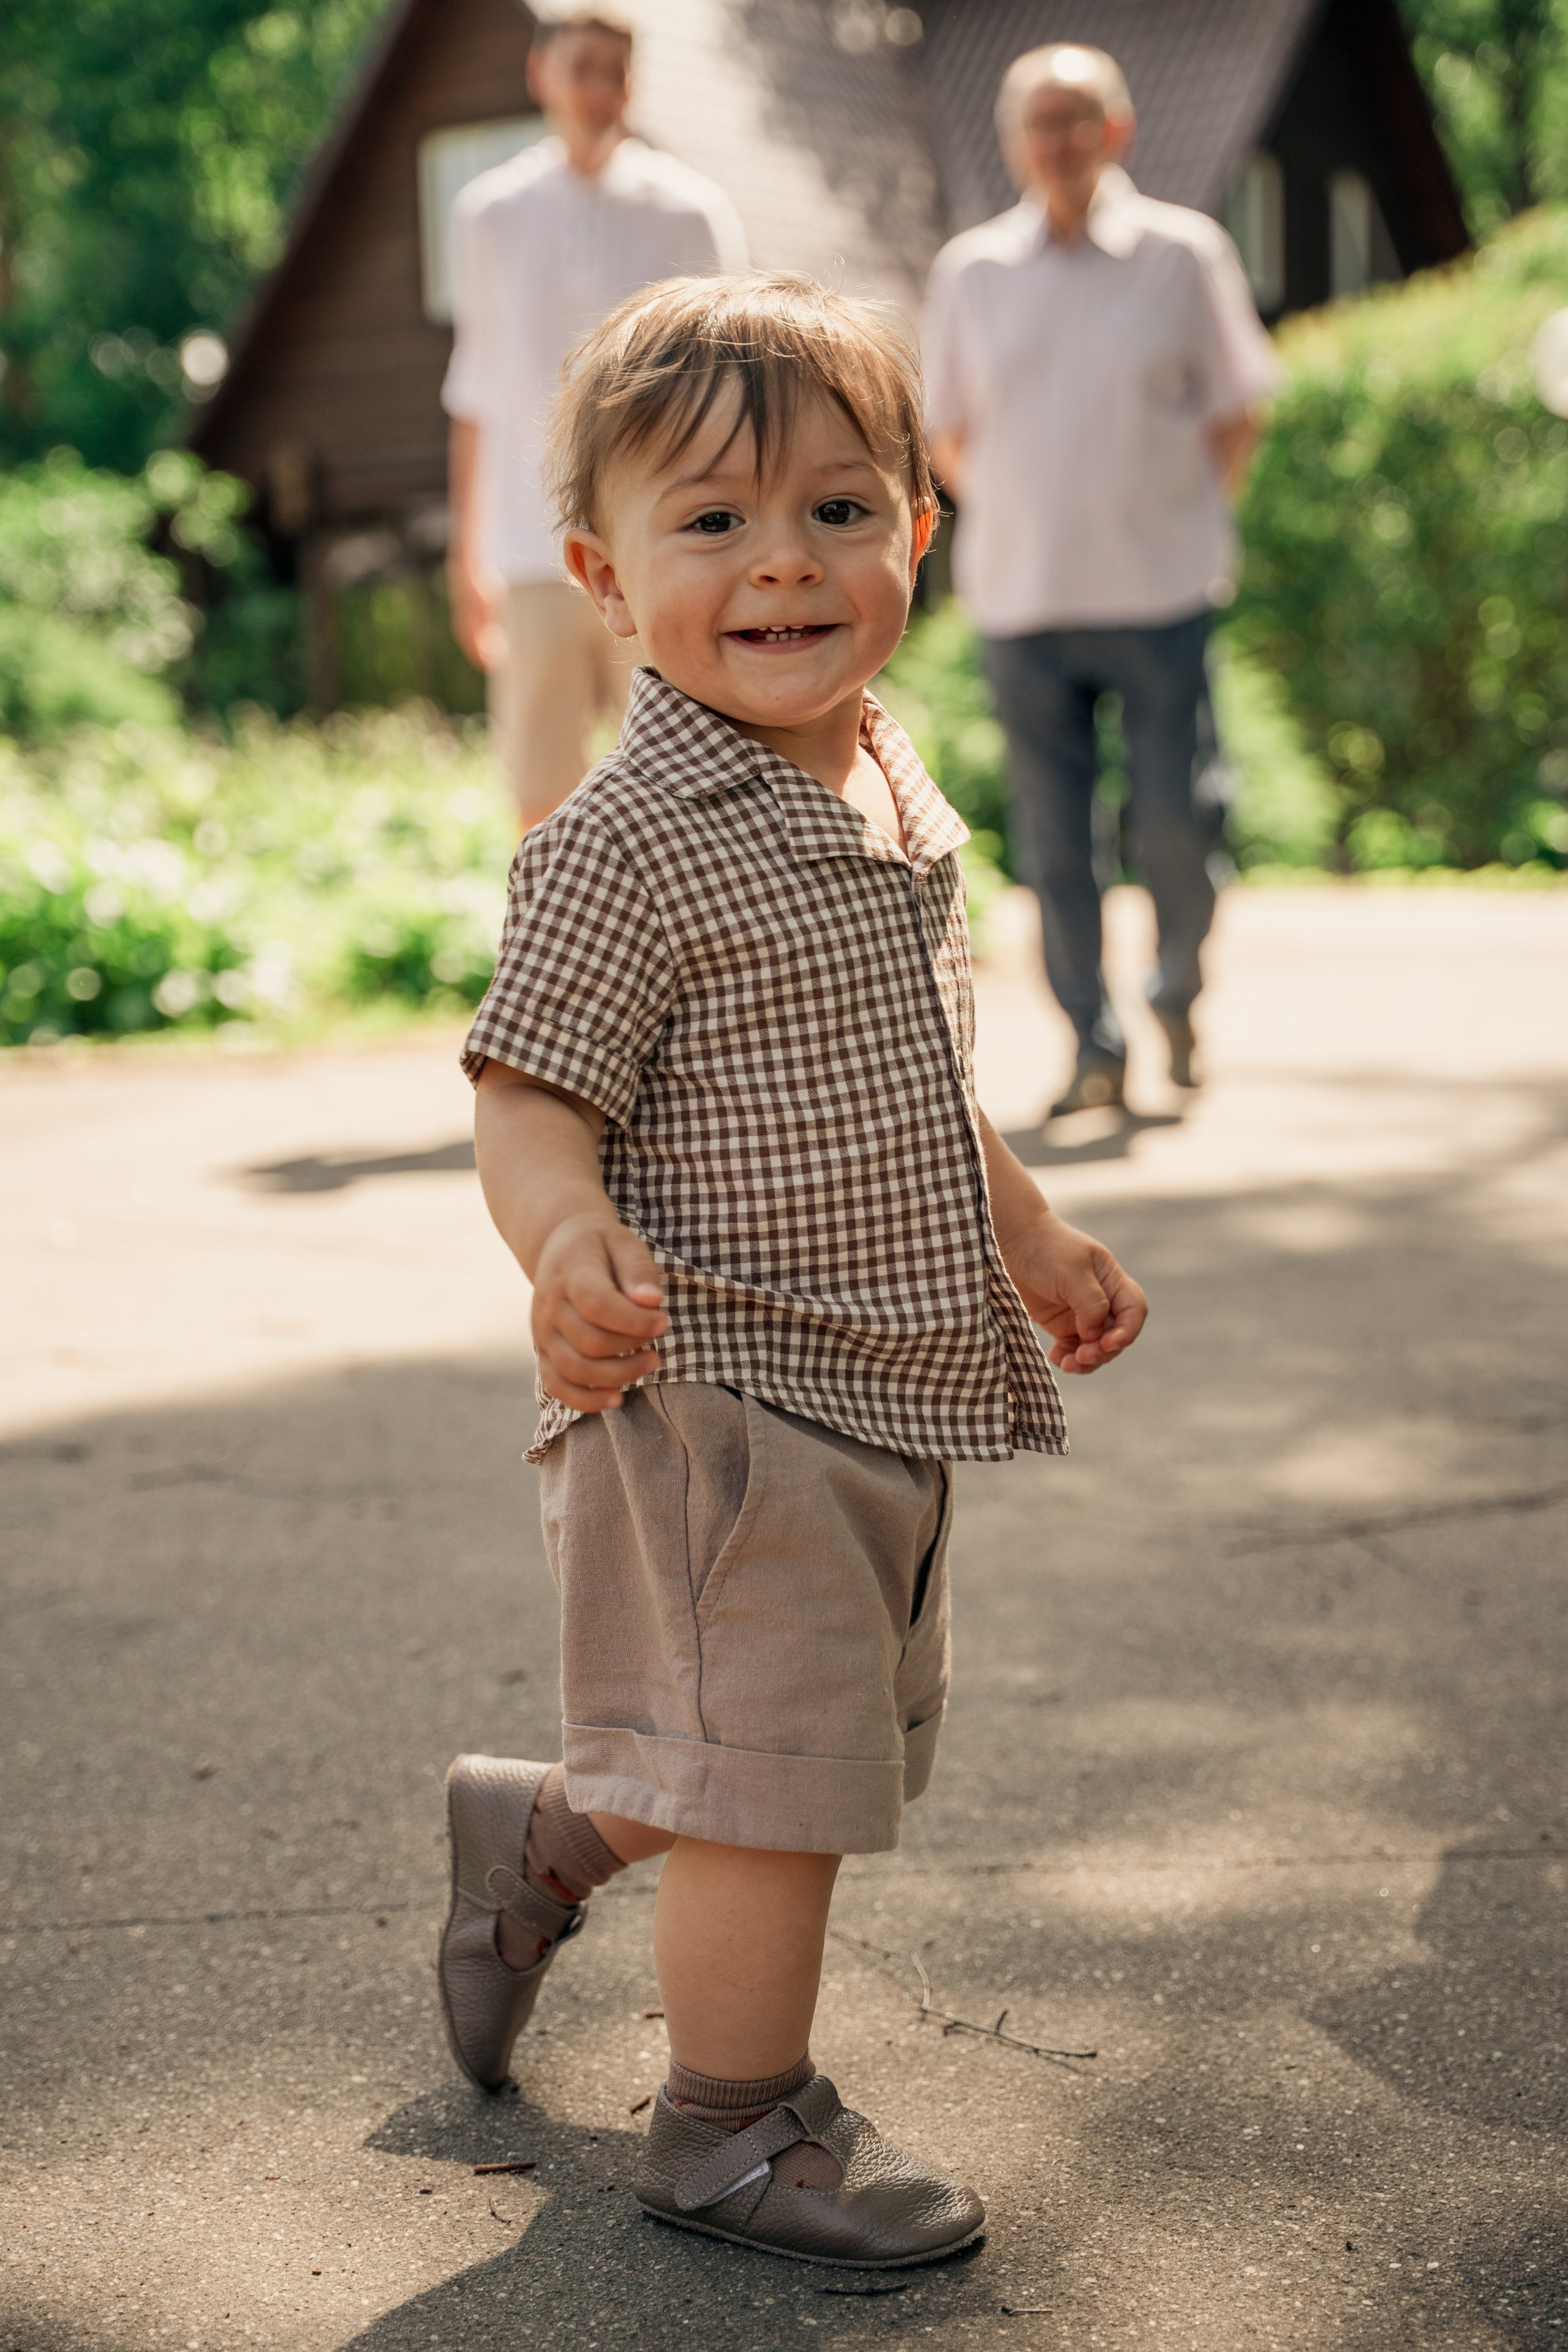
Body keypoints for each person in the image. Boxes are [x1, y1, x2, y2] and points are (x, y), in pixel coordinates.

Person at [437, 273, 1148, 2267]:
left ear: (920, 527)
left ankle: (546, 1836)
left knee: (774, 1738)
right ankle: (731, 2132)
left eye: (841, 510)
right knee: (776, 1788)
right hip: (711, 1390)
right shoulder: (625, 836)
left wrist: (1030, 1233)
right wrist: (563, 1234)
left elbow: (918, 1067)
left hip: (881, 1378)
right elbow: (527, 1095)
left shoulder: (885, 781)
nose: (786, 565)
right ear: (599, 570)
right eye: (714, 524)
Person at [922, 43, 1280, 1114]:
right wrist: (1035, 510)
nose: (1062, 142)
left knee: (1176, 824)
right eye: (1043, 122)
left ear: (1118, 131)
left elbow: (1238, 413)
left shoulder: (1184, 254)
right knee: (1054, 843)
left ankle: (1177, 991)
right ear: (1014, 143)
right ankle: (1094, 1045)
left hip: (1161, 593)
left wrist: (1167, 514)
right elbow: (946, 432)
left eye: (1081, 120)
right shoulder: (969, 272)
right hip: (1025, 601)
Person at [441, 10, 748, 827]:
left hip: (663, 544)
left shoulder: (690, 208)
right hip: (528, 546)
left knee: (686, 788)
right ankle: (563, 959)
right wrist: (464, 555)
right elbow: (474, 387)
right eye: (583, 69)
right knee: (540, 800)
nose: (600, 90)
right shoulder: (489, 213)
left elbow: (731, 384)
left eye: (616, 71)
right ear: (542, 73)